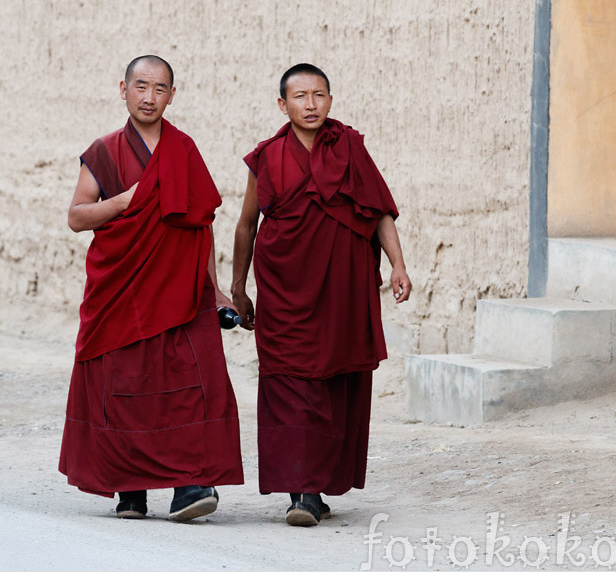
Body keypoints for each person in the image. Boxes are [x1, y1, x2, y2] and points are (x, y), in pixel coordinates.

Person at [59, 55, 244, 521]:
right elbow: (77, 217)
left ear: (172, 96)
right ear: (123, 90)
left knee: (194, 383)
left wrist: (215, 288)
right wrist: (123, 201)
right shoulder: (103, 151)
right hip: (121, 289)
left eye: (160, 88)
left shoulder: (183, 149)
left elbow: (202, 222)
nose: (149, 97)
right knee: (124, 384)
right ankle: (131, 487)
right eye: (141, 86)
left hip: (182, 288)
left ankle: (192, 483)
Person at [231, 63, 412, 526]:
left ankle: (316, 482)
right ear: (282, 104)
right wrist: (238, 286)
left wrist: (398, 265)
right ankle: (303, 493)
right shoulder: (267, 156)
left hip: (343, 289)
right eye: (300, 96)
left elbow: (378, 212)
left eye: (319, 95)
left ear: (330, 100)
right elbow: (248, 223)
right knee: (290, 381)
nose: (310, 105)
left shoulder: (349, 147)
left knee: (336, 381)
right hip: (285, 288)